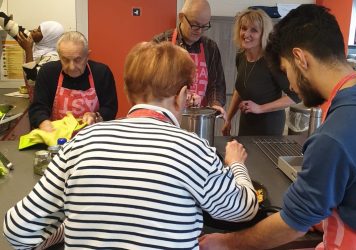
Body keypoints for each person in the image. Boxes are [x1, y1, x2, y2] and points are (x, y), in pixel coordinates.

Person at [4, 41, 258, 249]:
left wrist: (69, 228)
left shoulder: (80, 143)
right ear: (181, 96)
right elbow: (243, 210)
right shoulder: (193, 150)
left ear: (127, 92)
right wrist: (236, 164)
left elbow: (17, 230)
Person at [200, 4, 356, 250]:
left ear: (300, 58)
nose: (292, 86)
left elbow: (292, 225)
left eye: (286, 71)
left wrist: (226, 243)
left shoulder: (335, 135)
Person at [222, 8, 299, 136]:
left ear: (264, 34)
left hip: (269, 127)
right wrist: (228, 119)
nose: (246, 34)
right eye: (244, 28)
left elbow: (296, 96)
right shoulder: (241, 55)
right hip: (246, 123)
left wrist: (260, 108)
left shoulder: (272, 60)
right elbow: (240, 90)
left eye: (254, 30)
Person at [28, 31, 118, 132]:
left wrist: (95, 116)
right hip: (57, 137)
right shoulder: (48, 73)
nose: (72, 67)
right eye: (65, 60)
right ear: (59, 56)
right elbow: (38, 107)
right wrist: (43, 122)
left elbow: (110, 108)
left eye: (77, 60)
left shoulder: (101, 73)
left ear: (87, 56)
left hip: (92, 137)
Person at [153, 0, 226, 115]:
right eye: (195, 25)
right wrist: (179, 96)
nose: (200, 31)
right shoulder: (160, 43)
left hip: (198, 120)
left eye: (204, 26)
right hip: (166, 117)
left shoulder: (210, 47)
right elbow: (151, 85)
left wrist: (215, 104)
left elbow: (216, 84)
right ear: (181, 17)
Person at [0, 12, 64, 81]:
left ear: (48, 37)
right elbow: (13, 28)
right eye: (37, 28)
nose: (34, 30)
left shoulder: (53, 57)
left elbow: (33, 78)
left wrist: (28, 50)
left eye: (39, 31)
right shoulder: (35, 43)